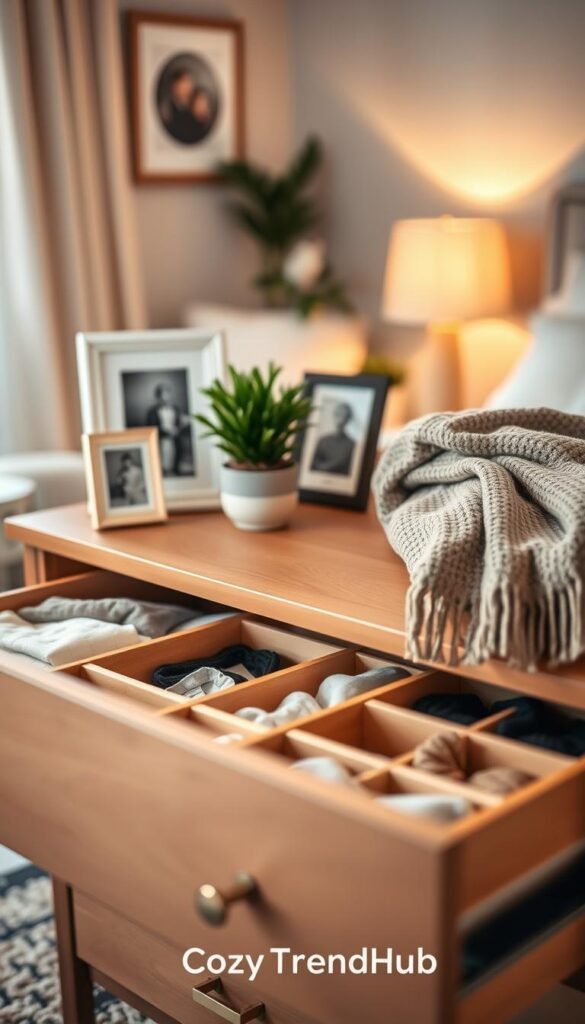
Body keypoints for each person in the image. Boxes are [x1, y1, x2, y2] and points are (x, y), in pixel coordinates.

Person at [146, 383, 183, 476]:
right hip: (160, 440)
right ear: (158, 396)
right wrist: (165, 431)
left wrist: (177, 429)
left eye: (167, 394)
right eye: (163, 394)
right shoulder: (152, 411)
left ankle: (175, 470)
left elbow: (179, 423)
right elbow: (150, 427)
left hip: (174, 441)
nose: (166, 397)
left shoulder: (176, 409)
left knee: (174, 460)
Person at [310, 401, 356, 475]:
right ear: (334, 415)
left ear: (348, 419)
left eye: (345, 416)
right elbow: (314, 465)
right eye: (339, 415)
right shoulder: (323, 441)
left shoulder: (352, 445)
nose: (341, 420)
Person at [161, 68, 196, 144]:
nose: (189, 86)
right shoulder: (166, 110)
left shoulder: (195, 106)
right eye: (184, 82)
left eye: (189, 82)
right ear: (174, 86)